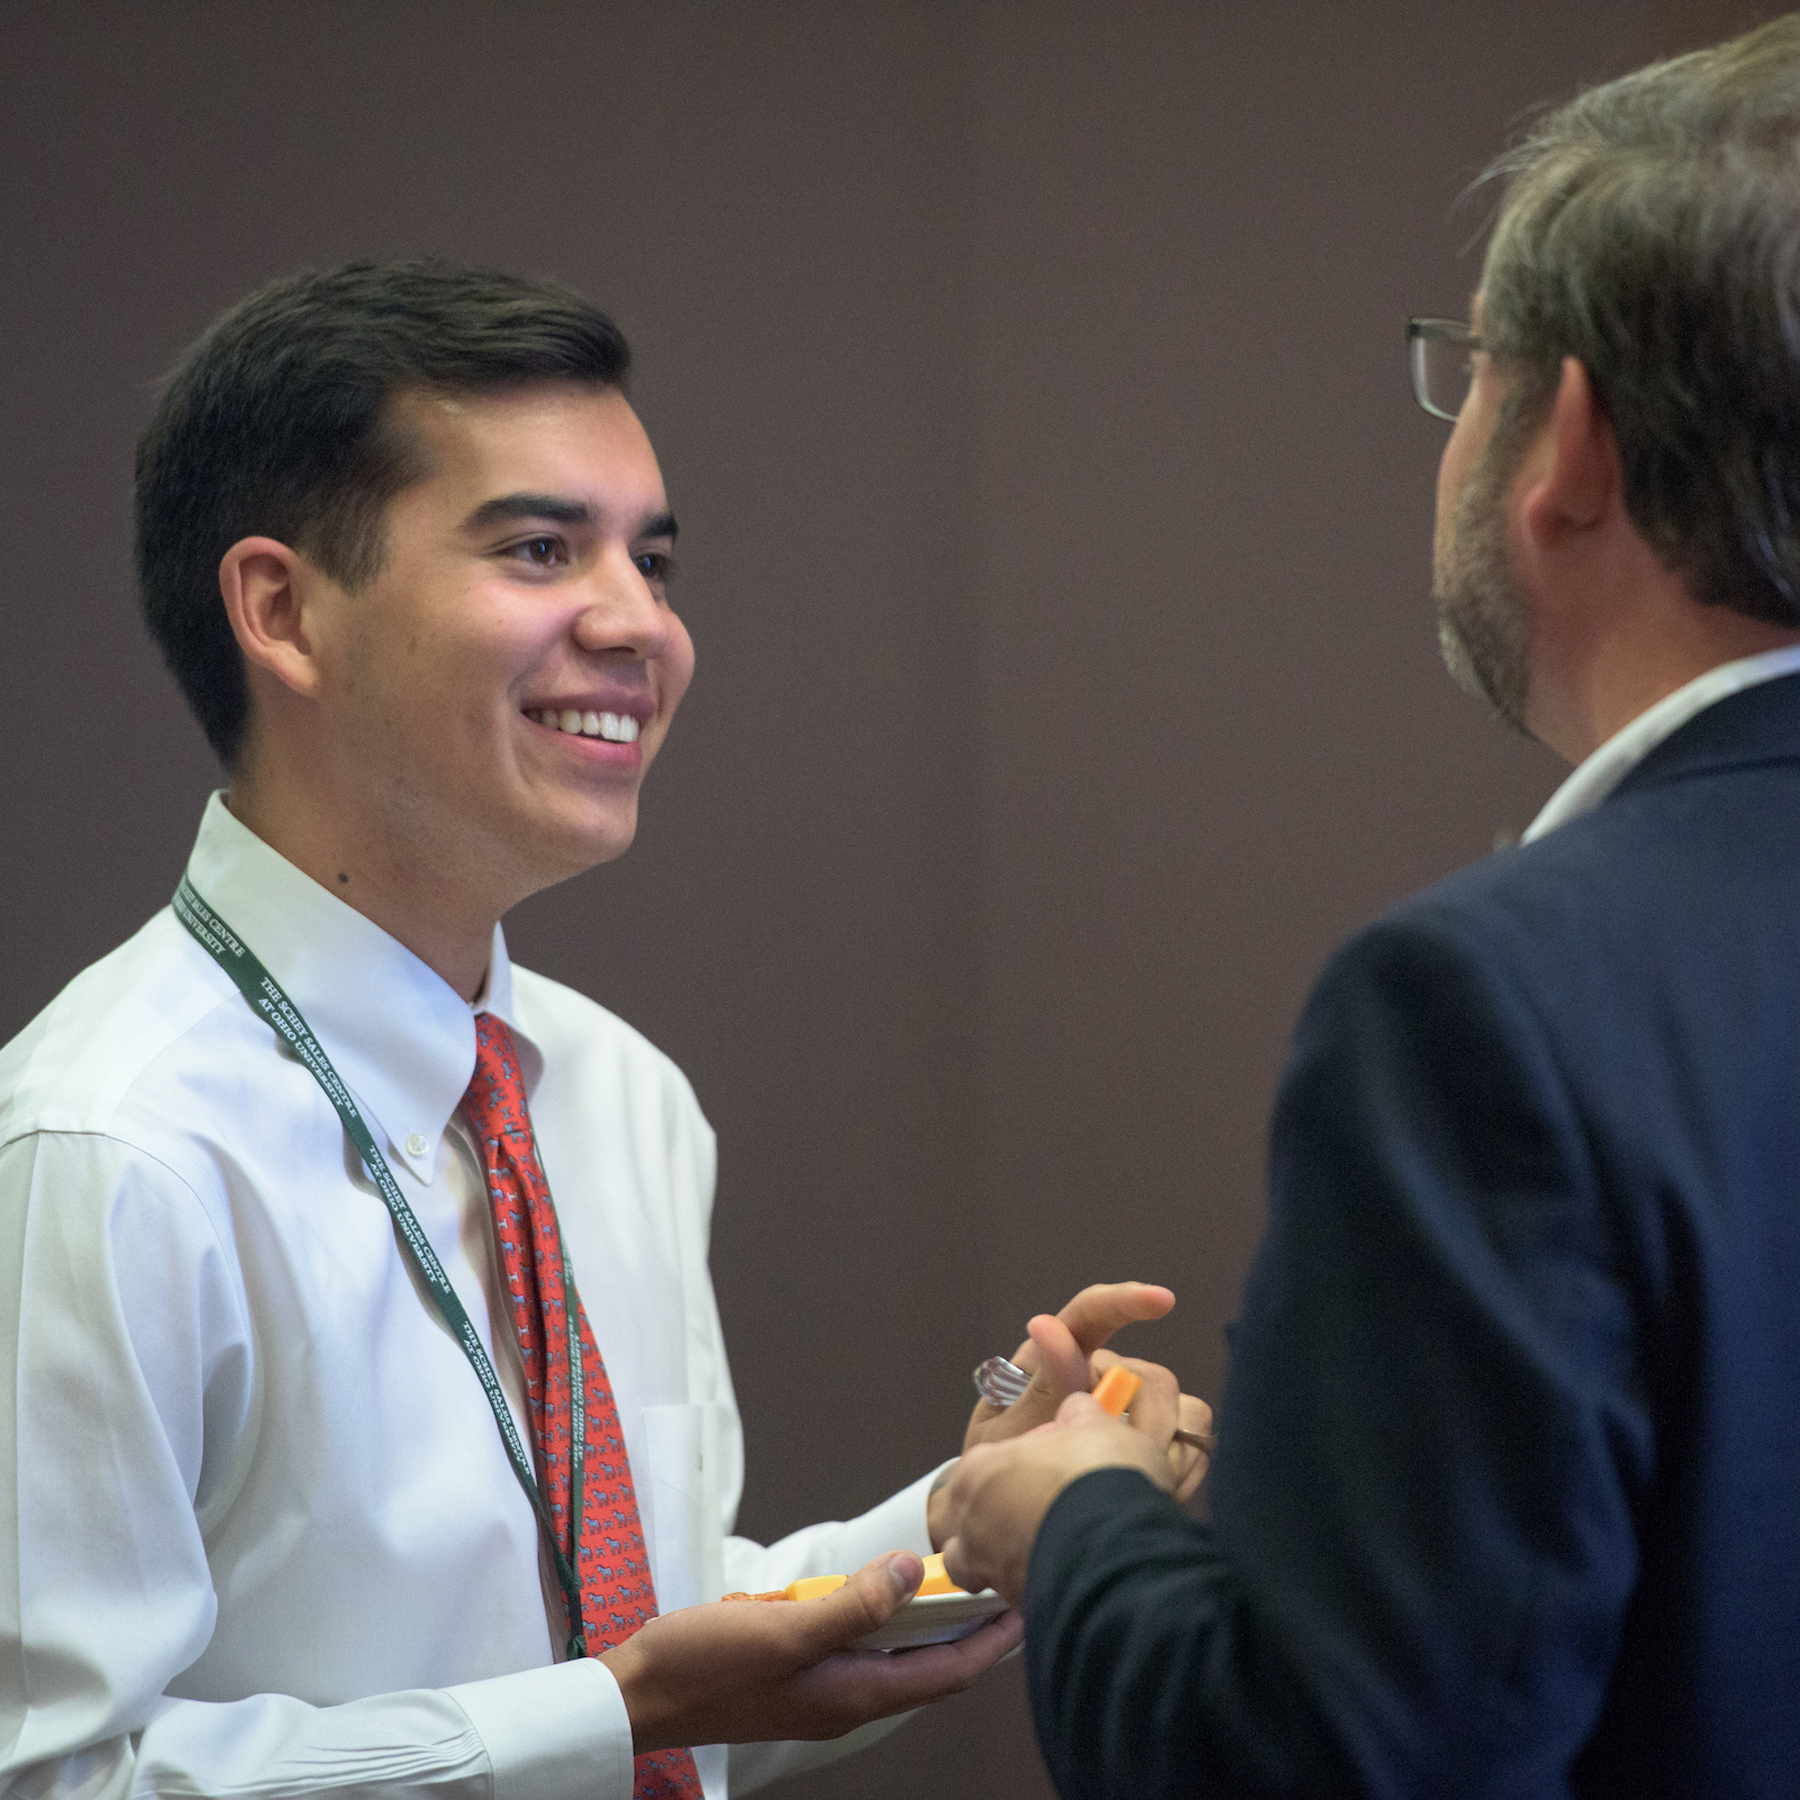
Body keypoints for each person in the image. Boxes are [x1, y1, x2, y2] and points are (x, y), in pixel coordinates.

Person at [0, 261, 1204, 1800]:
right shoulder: (105, 1151)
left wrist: (981, 1515)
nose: (643, 627)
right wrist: (607, 1711)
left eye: (654, 558)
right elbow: (56, 1778)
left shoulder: (623, 1095)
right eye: (540, 548)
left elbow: (656, 1641)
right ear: (282, 609)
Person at [938, 17, 1800, 1798]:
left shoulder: (1498, 1011)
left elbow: (1331, 1767)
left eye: (1468, 366)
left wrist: (1082, 1519)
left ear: (1567, 440)